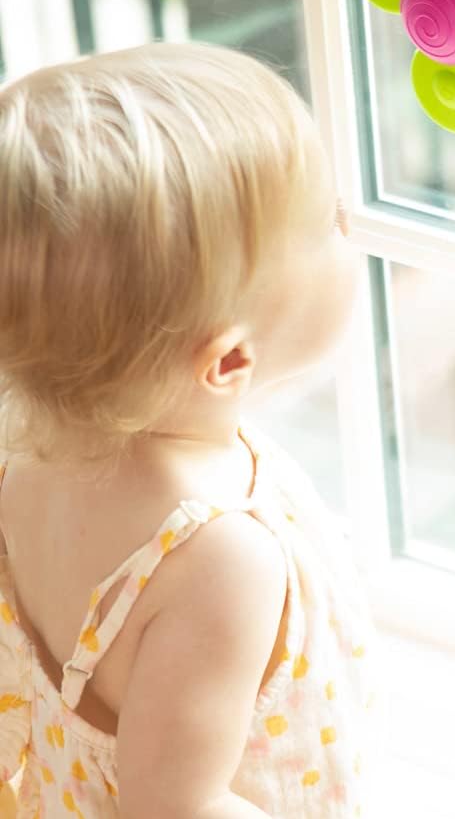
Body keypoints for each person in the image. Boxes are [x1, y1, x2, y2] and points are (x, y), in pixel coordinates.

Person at [0, 44, 377, 817]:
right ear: (228, 360)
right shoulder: (216, 558)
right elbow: (177, 806)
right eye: (324, 225)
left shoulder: (28, 447)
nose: (347, 221)